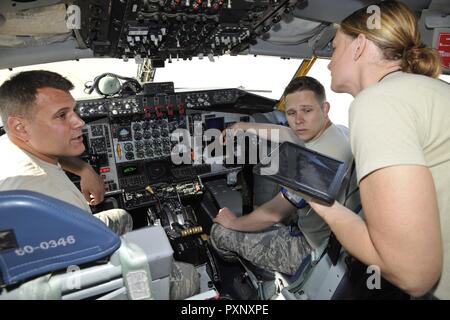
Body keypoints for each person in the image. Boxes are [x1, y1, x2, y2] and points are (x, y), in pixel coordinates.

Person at [0, 70, 199, 299]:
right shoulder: (47, 199)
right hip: (78, 270)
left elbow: (46, 151)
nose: (80, 122)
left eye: (74, 110)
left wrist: (84, 169)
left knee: (122, 216)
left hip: (62, 245)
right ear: (20, 127)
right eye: (62, 115)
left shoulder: (10, 145)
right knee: (189, 275)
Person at [308, 1, 450, 299]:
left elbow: (413, 274)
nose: (330, 61)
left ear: (359, 45)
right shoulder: (431, 91)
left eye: (334, 48)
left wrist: (321, 203)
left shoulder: (378, 102)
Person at [209, 76, 355, 276]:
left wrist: (231, 222)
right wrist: (240, 127)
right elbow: (287, 133)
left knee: (220, 232)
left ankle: (251, 279)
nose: (298, 120)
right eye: (291, 112)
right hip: (332, 235)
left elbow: (273, 214)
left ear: (325, 108)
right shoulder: (338, 132)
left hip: (312, 250)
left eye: (307, 110)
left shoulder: (316, 163)